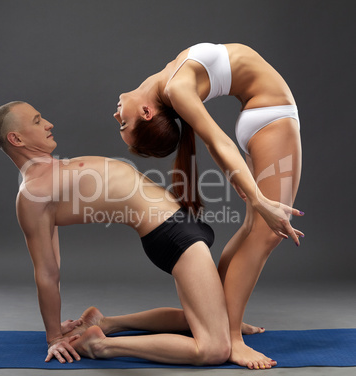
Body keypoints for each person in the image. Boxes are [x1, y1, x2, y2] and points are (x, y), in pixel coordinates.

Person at [0, 101, 236, 367]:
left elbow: (53, 265)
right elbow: (48, 272)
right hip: (172, 234)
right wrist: (53, 338)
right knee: (215, 349)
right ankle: (100, 345)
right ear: (16, 138)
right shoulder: (32, 195)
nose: (49, 124)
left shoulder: (55, 170)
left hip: (179, 225)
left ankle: (105, 323)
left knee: (198, 320)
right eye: (37, 121)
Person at [113, 42, 303, 368]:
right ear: (147, 113)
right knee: (267, 232)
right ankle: (230, 337)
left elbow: (211, 139)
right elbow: (217, 140)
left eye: (121, 125)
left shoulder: (170, 82)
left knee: (252, 229)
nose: (116, 115)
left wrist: (236, 177)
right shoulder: (175, 86)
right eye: (122, 124)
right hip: (272, 117)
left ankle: (225, 318)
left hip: (261, 116)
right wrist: (258, 199)